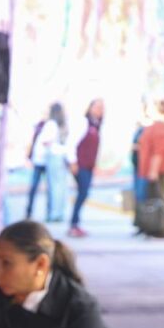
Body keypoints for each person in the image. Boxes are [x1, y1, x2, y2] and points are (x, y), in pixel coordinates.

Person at [62, 99, 105, 238]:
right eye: (97, 107)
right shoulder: (84, 123)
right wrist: (73, 162)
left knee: (83, 193)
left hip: (88, 165)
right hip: (80, 164)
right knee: (83, 193)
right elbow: (71, 143)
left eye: (102, 107)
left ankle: (75, 223)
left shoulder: (96, 125)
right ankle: (74, 224)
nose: (100, 110)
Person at [25, 103, 69, 223]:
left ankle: (52, 212)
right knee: (55, 187)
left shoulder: (51, 124)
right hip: (50, 158)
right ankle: (54, 212)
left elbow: (46, 141)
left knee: (52, 187)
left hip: (46, 159)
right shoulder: (59, 124)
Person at [137, 100, 164, 216]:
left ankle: (158, 224)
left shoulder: (160, 127)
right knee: (157, 199)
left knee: (156, 200)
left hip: (159, 170)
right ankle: (157, 223)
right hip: (161, 169)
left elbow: (158, 152)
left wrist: (153, 171)